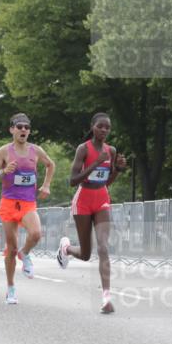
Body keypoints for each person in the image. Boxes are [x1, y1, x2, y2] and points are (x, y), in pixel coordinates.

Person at [56, 112, 128, 314]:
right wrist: (96, 163)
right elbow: (73, 181)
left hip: (102, 199)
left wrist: (118, 170)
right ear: (92, 127)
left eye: (107, 127)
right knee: (86, 254)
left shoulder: (111, 150)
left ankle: (106, 298)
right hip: (83, 201)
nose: (104, 130)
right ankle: (66, 248)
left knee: (103, 247)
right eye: (100, 126)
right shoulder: (83, 149)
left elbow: (106, 181)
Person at [0, 113, 56, 305]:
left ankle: (25, 253)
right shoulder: (4, 151)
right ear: (12, 130)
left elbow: (50, 165)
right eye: (19, 126)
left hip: (28, 203)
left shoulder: (36, 150)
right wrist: (3, 171)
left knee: (36, 233)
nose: (23, 129)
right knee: (11, 248)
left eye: (27, 127)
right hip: (9, 203)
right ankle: (11, 288)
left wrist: (46, 185)